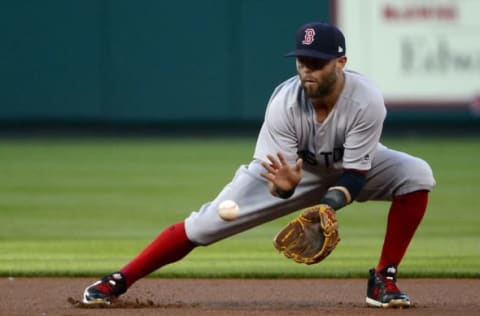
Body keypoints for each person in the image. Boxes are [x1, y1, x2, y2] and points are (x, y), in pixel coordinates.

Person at [83, 21, 435, 308]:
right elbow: (280, 187)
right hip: (294, 172)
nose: (307, 71)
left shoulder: (366, 100)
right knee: (204, 225)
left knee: (416, 174)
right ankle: (120, 279)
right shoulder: (284, 103)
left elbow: (356, 175)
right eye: (302, 62)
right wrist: (283, 187)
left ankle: (383, 278)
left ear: (341, 63)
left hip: (350, 170)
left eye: (317, 63)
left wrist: (327, 207)